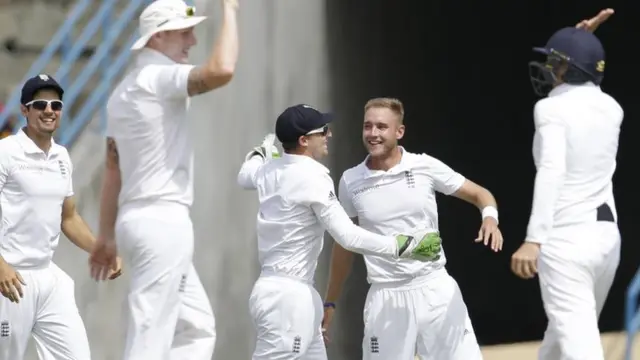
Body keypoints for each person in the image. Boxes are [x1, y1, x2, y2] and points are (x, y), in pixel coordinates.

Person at [87, 0, 240, 358]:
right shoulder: (157, 76)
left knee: (197, 329)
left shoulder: (122, 91)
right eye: (184, 32)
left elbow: (114, 169)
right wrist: (230, 10)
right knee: (150, 337)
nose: (192, 40)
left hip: (137, 223)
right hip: (162, 224)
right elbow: (222, 69)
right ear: (158, 38)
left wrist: (107, 236)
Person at [237, 104, 449, 360]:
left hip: (292, 294)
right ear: (304, 141)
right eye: (323, 131)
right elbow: (348, 235)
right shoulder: (312, 176)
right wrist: (404, 246)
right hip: (288, 302)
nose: (330, 135)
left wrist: (260, 153)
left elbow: (244, 175)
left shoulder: (268, 169)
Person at [321, 97, 502, 360]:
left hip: (434, 289)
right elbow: (345, 244)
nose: (373, 134)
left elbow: (480, 194)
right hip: (386, 297)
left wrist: (489, 218)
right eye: (368, 126)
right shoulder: (351, 180)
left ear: (399, 131)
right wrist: (330, 301)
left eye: (382, 127)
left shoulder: (424, 166)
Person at [511, 14, 621, 360]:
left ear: (567, 69)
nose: (548, 68)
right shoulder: (611, 109)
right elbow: (587, 81)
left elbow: (552, 171)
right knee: (562, 339)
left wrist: (534, 239)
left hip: (564, 244)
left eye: (554, 62)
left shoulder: (550, 109)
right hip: (605, 240)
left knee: (581, 348)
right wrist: (580, 43)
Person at [0, 74, 121, 360]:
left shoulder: (62, 157)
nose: (49, 110)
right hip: (10, 279)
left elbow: (68, 217)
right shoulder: (5, 153)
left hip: (48, 278)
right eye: (40, 104)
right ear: (25, 110)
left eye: (56, 105)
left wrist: (100, 249)